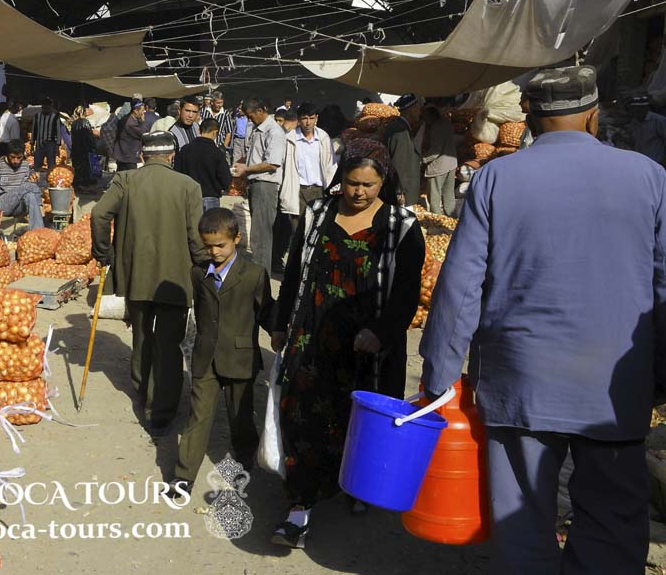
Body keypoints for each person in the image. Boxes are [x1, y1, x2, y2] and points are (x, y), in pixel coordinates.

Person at [419, 66, 666, 575]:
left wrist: (439, 376)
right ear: (593, 116)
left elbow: (461, 286)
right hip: (614, 388)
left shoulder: (497, 178)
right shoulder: (648, 176)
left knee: (523, 526)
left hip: (521, 383)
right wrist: (658, 379)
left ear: (529, 118)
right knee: (612, 528)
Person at [268, 137, 425, 548]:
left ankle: (357, 484)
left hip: (369, 347)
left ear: (383, 181)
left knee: (360, 421)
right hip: (313, 335)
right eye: (352, 182)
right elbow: (294, 271)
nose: (358, 192)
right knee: (302, 415)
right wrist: (281, 323)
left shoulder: (402, 225)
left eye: (368, 185)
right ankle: (299, 507)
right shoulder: (318, 213)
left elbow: (407, 292)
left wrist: (381, 332)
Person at [91, 131, 207, 436]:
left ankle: (142, 390)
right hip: (175, 279)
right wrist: (204, 267)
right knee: (168, 343)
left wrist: (104, 253)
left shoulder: (125, 180)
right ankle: (160, 411)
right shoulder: (189, 186)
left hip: (136, 274)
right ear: (171, 156)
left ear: (143, 155)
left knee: (141, 334)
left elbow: (99, 214)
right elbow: (196, 238)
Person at [171, 208, 269, 497]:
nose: (214, 252)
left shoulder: (254, 274)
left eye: (220, 245)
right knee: (197, 416)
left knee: (240, 416)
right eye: (208, 246)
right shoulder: (198, 273)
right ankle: (183, 476)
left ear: (236, 239)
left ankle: (244, 461)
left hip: (240, 358)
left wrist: (280, 332)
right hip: (205, 357)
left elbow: (266, 311)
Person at [233, 98, 286, 274]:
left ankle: (260, 275)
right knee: (259, 231)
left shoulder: (274, 131)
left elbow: (272, 163)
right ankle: (259, 272)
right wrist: (243, 165)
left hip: (265, 184)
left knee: (261, 233)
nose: (250, 119)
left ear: (261, 111)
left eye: (251, 116)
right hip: (255, 183)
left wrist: (246, 169)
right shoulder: (257, 129)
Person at [279, 102, 337, 238]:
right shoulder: (290, 139)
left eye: (311, 118)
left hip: (319, 190)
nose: (308, 122)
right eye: (305, 118)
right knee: (298, 229)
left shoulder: (323, 137)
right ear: (299, 119)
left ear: (316, 118)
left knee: (317, 228)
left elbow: (331, 164)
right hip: (298, 190)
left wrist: (332, 188)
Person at [0, 143, 45, 229]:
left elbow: (26, 185)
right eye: (12, 157)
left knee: (30, 195)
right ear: (8, 155)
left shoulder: (25, 166)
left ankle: (37, 230)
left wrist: (33, 179)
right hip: (0, 203)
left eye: (19, 158)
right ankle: (42, 218)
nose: (16, 161)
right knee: (30, 187)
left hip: (17, 205)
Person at [174, 118, 232, 212]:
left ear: (199, 130)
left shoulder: (185, 150)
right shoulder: (216, 153)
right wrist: (223, 187)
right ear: (215, 132)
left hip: (189, 197)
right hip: (210, 196)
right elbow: (225, 178)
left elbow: (177, 173)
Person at [381, 93, 424, 206]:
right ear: (411, 110)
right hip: (404, 192)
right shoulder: (401, 131)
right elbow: (399, 164)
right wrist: (399, 191)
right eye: (417, 109)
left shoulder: (398, 126)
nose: (419, 112)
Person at [419, 104, 458, 216]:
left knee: (434, 195)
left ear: (430, 116)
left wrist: (422, 160)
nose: (425, 121)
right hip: (451, 163)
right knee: (449, 193)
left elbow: (435, 152)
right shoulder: (446, 122)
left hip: (439, 167)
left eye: (425, 118)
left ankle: (436, 218)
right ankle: (451, 215)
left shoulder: (436, 127)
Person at [32, 97, 71, 173]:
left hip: (50, 144)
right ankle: (37, 177)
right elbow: (34, 130)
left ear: (50, 107)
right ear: (42, 107)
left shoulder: (55, 117)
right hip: (39, 144)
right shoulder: (37, 116)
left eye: (47, 107)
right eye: (44, 107)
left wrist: (57, 146)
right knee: (37, 165)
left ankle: (51, 177)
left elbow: (58, 132)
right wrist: (32, 143)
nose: (46, 109)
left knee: (51, 165)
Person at [630, 93, 666, 166]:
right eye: (635, 108)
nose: (638, 110)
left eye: (641, 108)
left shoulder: (659, 121)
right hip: (641, 163)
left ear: (646, 107)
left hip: (657, 163)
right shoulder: (633, 123)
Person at [112, 100, 149, 171]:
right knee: (130, 176)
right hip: (128, 157)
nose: (143, 113)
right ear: (135, 111)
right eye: (142, 110)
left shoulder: (126, 118)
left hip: (123, 155)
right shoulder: (130, 123)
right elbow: (144, 134)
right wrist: (142, 122)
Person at [70, 105, 97, 186]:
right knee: (85, 165)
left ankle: (77, 181)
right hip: (84, 147)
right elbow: (89, 135)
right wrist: (93, 146)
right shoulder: (86, 122)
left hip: (75, 148)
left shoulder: (73, 123)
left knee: (77, 166)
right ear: (84, 112)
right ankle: (85, 181)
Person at [217, 93, 237, 165]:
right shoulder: (204, 111)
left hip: (219, 145)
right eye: (218, 103)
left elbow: (228, 132)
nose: (220, 105)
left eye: (221, 103)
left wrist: (224, 147)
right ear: (212, 102)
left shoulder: (225, 114)